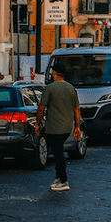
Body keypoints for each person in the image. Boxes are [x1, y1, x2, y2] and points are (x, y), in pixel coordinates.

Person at [36, 62, 81, 191]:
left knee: (58, 154)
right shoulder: (71, 88)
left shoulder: (49, 88)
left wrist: (38, 123)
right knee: (58, 150)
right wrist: (77, 126)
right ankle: (58, 176)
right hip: (67, 127)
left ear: (55, 73)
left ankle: (63, 180)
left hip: (54, 127)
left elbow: (41, 108)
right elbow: (77, 109)